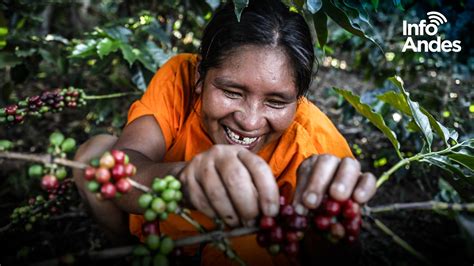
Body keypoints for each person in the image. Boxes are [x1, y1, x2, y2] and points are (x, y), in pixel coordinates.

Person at [73, 0, 377, 265]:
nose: (249, 120)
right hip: (162, 233)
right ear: (200, 78)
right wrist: (183, 181)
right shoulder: (179, 77)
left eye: (276, 101)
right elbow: (122, 164)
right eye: (232, 92)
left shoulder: (314, 144)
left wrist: (328, 225)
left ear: (298, 100)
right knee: (94, 156)